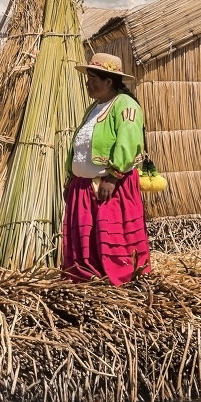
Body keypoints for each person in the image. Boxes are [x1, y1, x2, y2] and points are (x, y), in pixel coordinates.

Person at [61, 52, 151, 285]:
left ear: (109, 81)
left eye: (93, 78)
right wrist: (72, 180)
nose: (88, 83)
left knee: (112, 238)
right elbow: (81, 146)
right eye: (88, 78)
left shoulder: (125, 105)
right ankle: (88, 277)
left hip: (109, 185)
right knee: (86, 238)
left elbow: (128, 140)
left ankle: (119, 278)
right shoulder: (94, 107)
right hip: (84, 187)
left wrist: (113, 176)